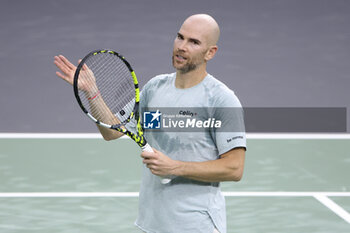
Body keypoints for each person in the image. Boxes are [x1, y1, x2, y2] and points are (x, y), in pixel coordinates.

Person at [54, 14, 246, 233]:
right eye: (180, 37)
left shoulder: (221, 100)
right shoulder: (155, 89)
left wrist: (174, 167)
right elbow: (113, 131)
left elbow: (234, 168)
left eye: (194, 42)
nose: (182, 46)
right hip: (153, 224)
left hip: (196, 225)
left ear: (210, 52)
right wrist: (93, 93)